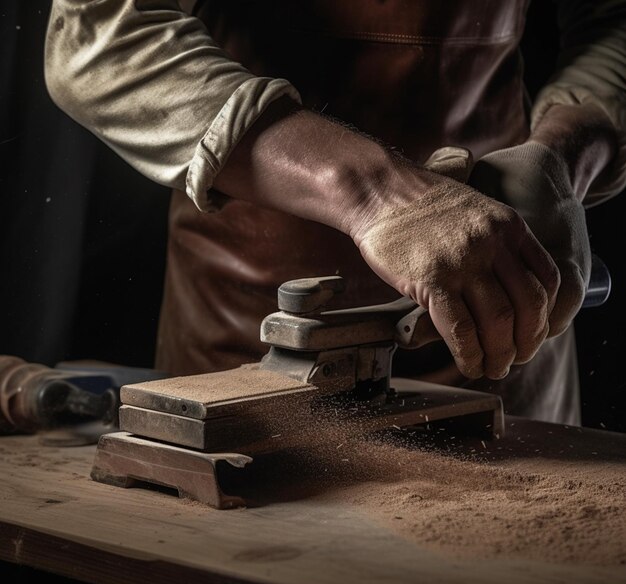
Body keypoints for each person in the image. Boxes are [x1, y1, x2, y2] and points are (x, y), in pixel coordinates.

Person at [44, 0, 625, 424]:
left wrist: (562, 158)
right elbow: (101, 36)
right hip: (242, 344)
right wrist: (380, 194)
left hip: (503, 308)